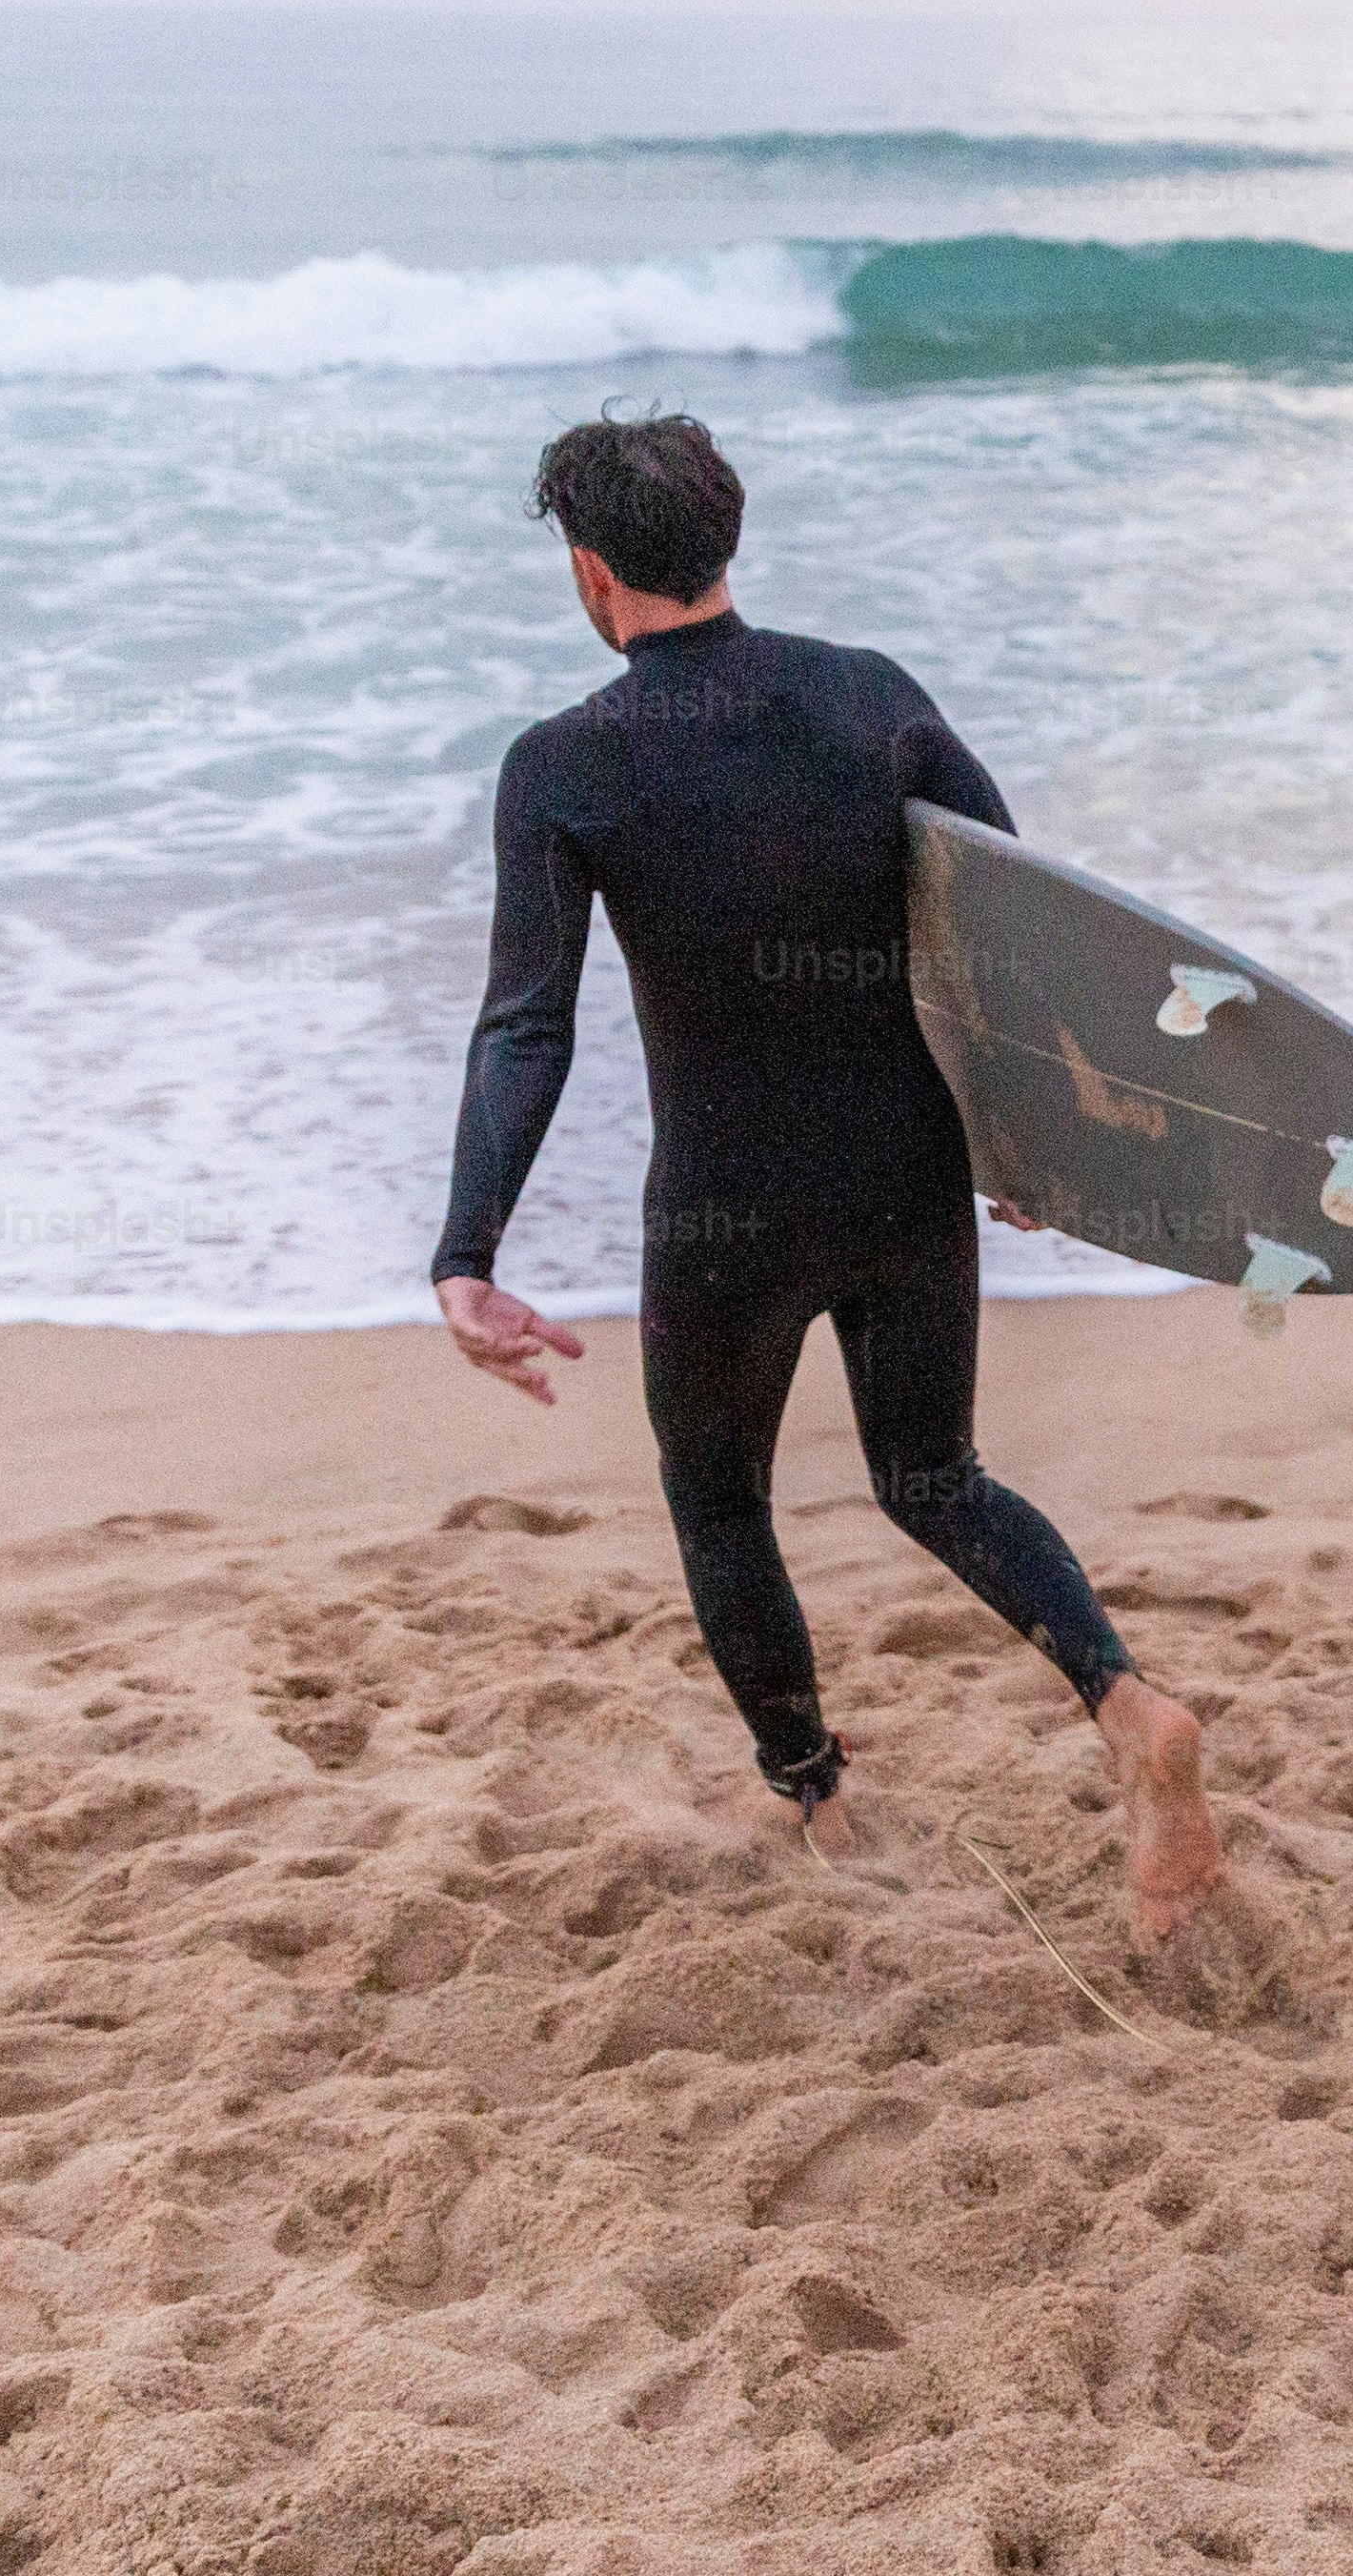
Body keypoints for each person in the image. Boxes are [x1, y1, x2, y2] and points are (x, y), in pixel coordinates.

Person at [431, 414, 1225, 1940]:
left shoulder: (566, 767)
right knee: (935, 1475)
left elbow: (526, 1023)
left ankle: (823, 1801)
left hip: (731, 1206)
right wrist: (1027, 1141)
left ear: (594, 577)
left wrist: (470, 1250)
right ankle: (1125, 1704)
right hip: (905, 1172)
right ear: (725, 544)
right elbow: (1016, 924)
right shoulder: (871, 699)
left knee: (718, 1496)